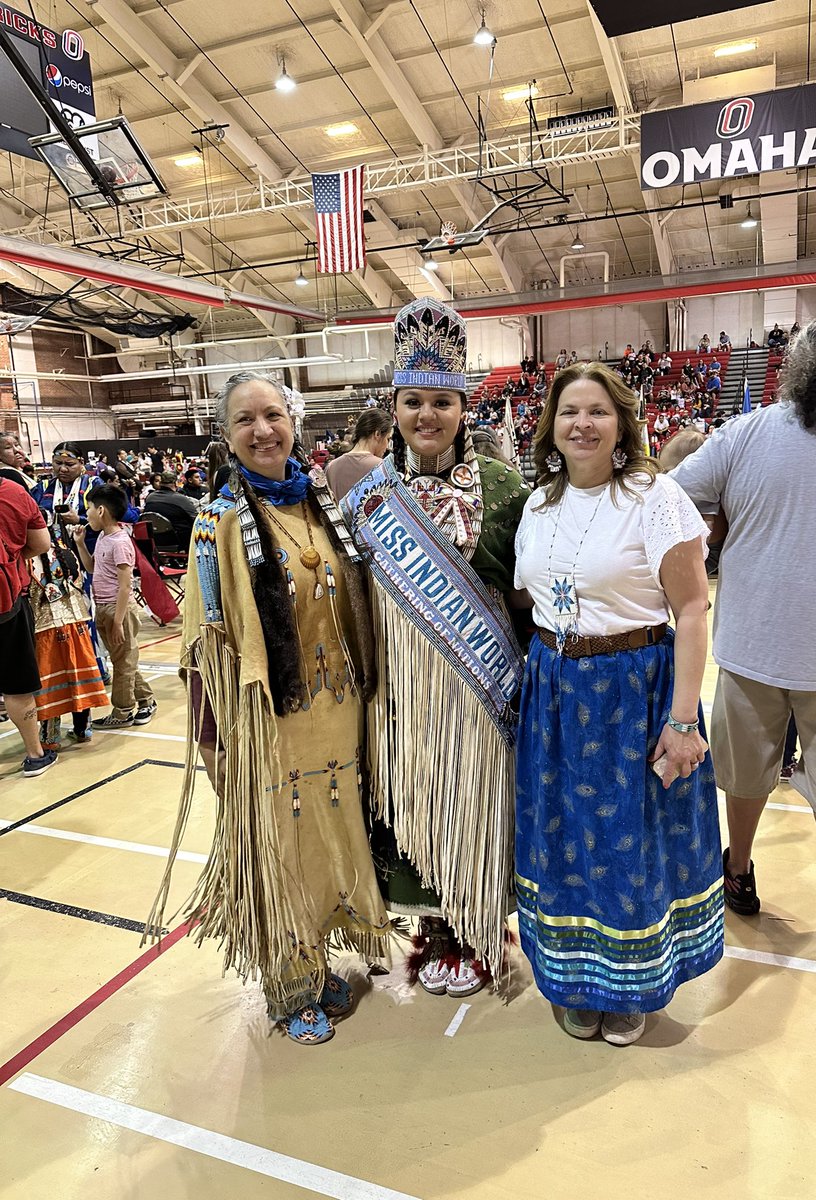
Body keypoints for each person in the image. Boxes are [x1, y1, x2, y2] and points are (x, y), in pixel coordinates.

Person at [147, 372, 391, 1046]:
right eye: (246, 420)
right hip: (267, 729)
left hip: (335, 718)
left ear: (294, 422)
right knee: (281, 848)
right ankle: (290, 983)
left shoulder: (322, 504)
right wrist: (212, 745)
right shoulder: (216, 522)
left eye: (274, 416)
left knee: (330, 839)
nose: (263, 431)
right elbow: (202, 648)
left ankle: (316, 963)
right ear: (226, 437)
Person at [513, 362, 723, 1045]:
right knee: (565, 841)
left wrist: (684, 719)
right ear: (552, 425)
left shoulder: (653, 497)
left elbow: (692, 609)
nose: (583, 423)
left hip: (633, 690)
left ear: (621, 423)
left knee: (631, 843)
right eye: (570, 411)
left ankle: (631, 985)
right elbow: (528, 598)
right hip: (554, 690)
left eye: (597, 411)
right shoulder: (537, 504)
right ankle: (575, 980)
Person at [670, 318, 816, 938]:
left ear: (787, 370)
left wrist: (711, 528)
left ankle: (737, 872)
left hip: (751, 648)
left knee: (745, 777)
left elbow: (667, 502)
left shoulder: (742, 434)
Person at [341, 297, 530, 998]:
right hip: (400, 687)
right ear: (395, 407)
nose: (427, 415)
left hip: (480, 687)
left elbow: (523, 595)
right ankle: (433, 932)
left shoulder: (507, 489)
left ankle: (480, 927)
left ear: (464, 408)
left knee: (474, 803)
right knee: (418, 802)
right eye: (413, 401)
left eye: (442, 402)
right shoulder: (366, 492)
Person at [73, 485, 156, 730]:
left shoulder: (120, 542)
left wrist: (119, 621)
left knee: (123, 662)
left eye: (88, 509)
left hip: (119, 609)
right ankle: (146, 700)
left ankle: (123, 712)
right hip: (104, 607)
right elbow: (91, 568)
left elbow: (125, 587)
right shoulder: (102, 537)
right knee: (124, 660)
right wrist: (80, 544)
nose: (86, 514)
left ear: (100, 510)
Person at [29, 534, 107, 749]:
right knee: (77, 677)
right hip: (76, 625)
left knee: (49, 682)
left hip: (44, 629)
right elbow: (80, 583)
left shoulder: (26, 558)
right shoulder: (66, 551)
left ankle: (50, 736)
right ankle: (83, 729)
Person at [0, 476, 55, 776]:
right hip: (6, 603)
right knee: (18, 684)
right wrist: (14, 558)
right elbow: (41, 543)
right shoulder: (12, 492)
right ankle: (35, 754)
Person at [325, 408, 392, 502]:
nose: (387, 446)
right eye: (388, 439)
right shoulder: (382, 467)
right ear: (377, 434)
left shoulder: (331, 467)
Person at [142, 470, 198, 551]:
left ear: (160, 483)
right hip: (178, 541)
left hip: (154, 539)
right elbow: (196, 519)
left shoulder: (150, 497)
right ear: (175, 483)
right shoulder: (181, 499)